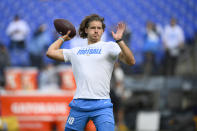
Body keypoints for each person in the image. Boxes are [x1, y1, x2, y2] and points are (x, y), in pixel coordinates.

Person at [46, 14, 135, 131]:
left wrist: (119, 40)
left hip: (102, 104)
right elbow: (50, 52)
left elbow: (131, 61)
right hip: (79, 104)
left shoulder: (110, 46)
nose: (96, 31)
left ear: (103, 31)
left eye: (99, 28)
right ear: (86, 30)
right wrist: (63, 38)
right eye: (93, 28)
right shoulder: (76, 51)